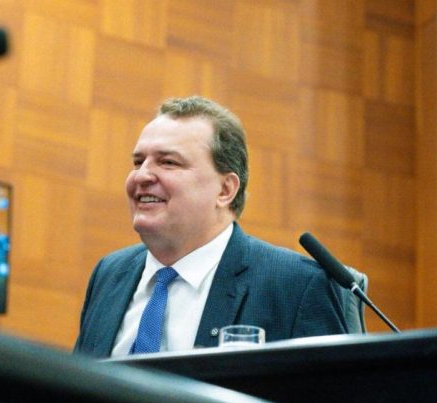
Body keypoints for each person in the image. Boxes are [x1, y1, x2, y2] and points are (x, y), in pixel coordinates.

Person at [75, 96, 351, 359]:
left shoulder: (294, 286)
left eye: (168, 162)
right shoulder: (110, 274)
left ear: (225, 190)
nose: (142, 175)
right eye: (138, 162)